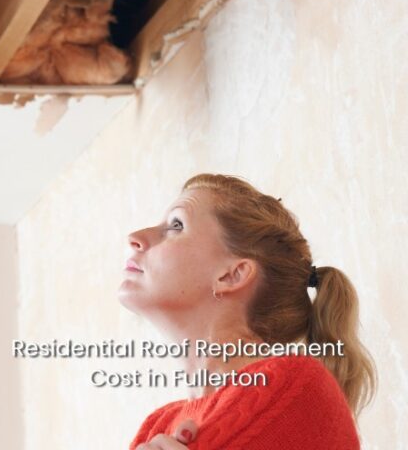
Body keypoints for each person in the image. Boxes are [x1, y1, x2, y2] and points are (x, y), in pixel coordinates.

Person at [120, 174, 376, 450]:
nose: (135, 238)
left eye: (176, 225)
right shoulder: (157, 426)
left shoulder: (292, 387)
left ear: (233, 275)